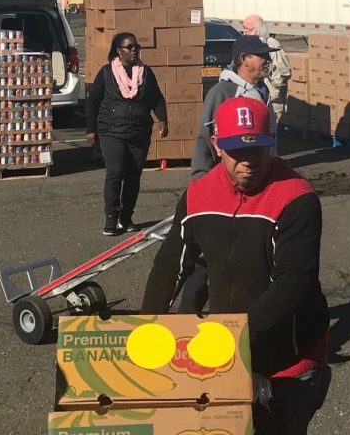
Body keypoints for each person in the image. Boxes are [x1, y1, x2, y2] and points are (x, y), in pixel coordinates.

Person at [143, 96, 330, 435]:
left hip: (288, 359)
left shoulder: (296, 197)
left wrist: (232, 340)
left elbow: (293, 283)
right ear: (217, 146)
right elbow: (171, 264)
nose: (248, 161)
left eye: (257, 149)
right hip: (227, 352)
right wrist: (146, 327)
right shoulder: (198, 194)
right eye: (237, 151)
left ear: (270, 144)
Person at [86, 31, 167, 236]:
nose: (134, 50)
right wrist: (91, 129)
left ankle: (126, 217)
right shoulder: (107, 73)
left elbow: (156, 98)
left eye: (136, 47)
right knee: (115, 172)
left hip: (139, 131)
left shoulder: (145, 73)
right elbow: (93, 101)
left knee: (133, 176)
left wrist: (162, 119)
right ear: (118, 51)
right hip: (112, 130)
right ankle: (111, 219)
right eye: (129, 47)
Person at [190, 34, 277, 180]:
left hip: (261, 175)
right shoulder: (222, 92)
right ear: (244, 59)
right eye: (262, 56)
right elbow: (205, 138)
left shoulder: (263, 91)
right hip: (232, 179)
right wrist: (199, 178)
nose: (268, 60)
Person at [242, 14, 292, 118]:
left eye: (248, 29)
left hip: (272, 104)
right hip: (254, 100)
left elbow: (283, 70)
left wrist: (274, 89)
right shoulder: (247, 46)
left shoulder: (271, 44)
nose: (245, 32)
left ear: (258, 30)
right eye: (244, 28)